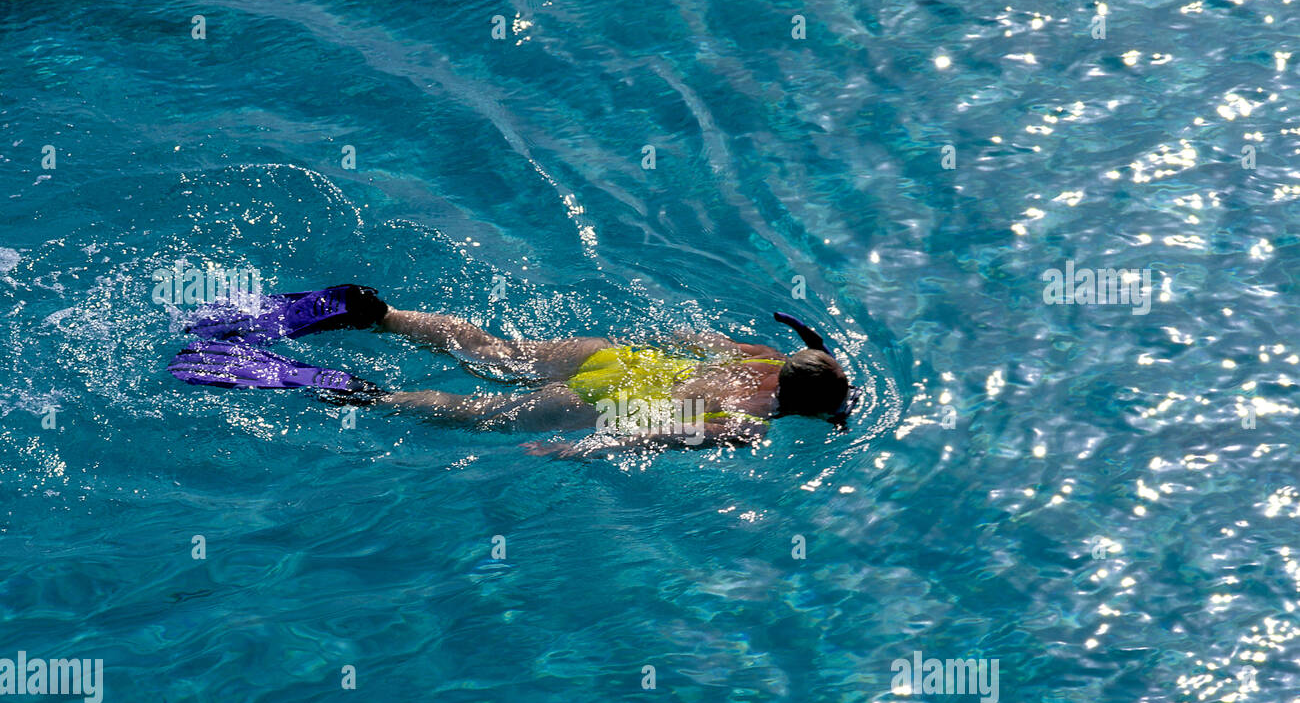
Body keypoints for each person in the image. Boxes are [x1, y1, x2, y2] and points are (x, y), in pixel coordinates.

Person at [168, 284, 861, 455]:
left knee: (495, 354)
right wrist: (584, 446)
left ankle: (381, 317)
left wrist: (812, 353)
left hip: (613, 359)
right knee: (466, 412)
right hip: (599, 406)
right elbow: (660, 430)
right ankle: (356, 392)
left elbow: (684, 331)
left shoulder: (762, 357)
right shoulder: (744, 426)